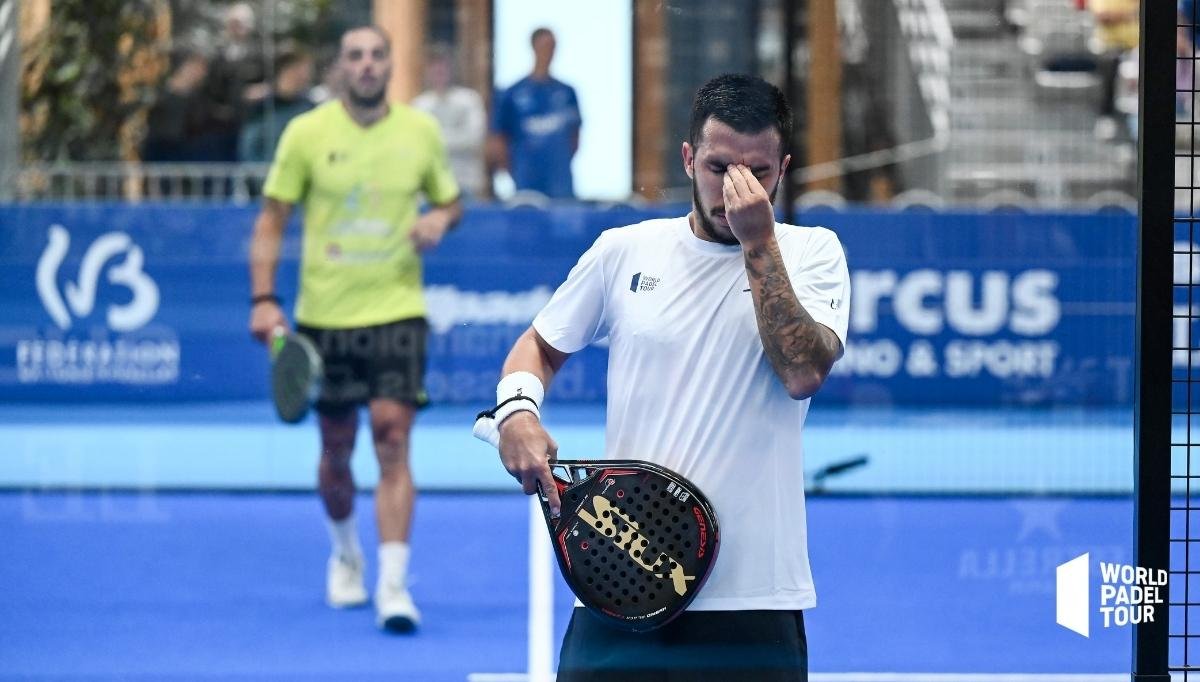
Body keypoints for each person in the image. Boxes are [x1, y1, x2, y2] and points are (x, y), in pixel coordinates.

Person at [485, 74, 850, 680]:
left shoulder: (813, 252)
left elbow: (803, 371)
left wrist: (758, 244)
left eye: (757, 172)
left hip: (754, 600)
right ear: (687, 158)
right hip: (619, 579)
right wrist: (517, 411)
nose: (736, 187)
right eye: (718, 166)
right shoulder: (622, 250)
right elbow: (538, 347)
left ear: (783, 169)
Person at [247, 25, 462, 633]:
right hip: (324, 319)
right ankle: (346, 553)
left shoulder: (420, 132)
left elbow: (451, 201)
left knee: (392, 440)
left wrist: (440, 221)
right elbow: (271, 221)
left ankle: (393, 585)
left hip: (396, 311)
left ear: (391, 66)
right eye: (355, 57)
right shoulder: (305, 134)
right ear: (340, 68)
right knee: (335, 451)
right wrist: (264, 299)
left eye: (376, 56)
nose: (366, 65)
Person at [488, 27, 582, 199]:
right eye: (544, 46)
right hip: (526, 180)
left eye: (552, 46)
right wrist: (513, 171)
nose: (549, 52)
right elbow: (499, 139)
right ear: (534, 47)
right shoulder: (512, 93)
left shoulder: (567, 92)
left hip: (561, 183)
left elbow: (575, 137)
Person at [412, 44, 487, 197]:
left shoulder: (470, 100)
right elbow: (416, 144)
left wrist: (434, 139)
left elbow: (474, 139)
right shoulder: (419, 105)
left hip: (465, 183)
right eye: (435, 69)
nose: (439, 73)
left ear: (451, 69)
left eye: (443, 68)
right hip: (429, 187)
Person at [237, 49, 316, 162]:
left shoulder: (308, 106)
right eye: (302, 69)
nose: (306, 75)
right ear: (287, 70)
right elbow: (249, 147)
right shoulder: (262, 105)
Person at [1086, 0, 1139, 140]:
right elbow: (1103, 16)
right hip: (1109, 47)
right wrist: (1129, 13)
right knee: (1110, 67)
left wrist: (1120, 15)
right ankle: (1107, 116)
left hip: (1136, 47)